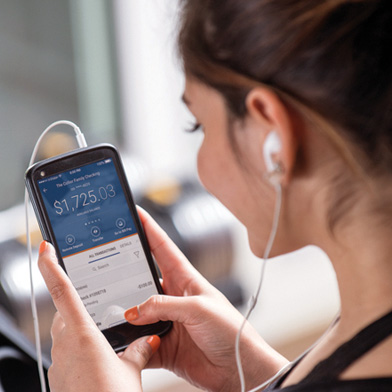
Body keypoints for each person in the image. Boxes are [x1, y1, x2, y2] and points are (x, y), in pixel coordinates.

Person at [37, 0, 392, 391]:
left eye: (200, 126)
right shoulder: (362, 329)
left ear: (270, 132)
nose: (201, 171)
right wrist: (254, 374)